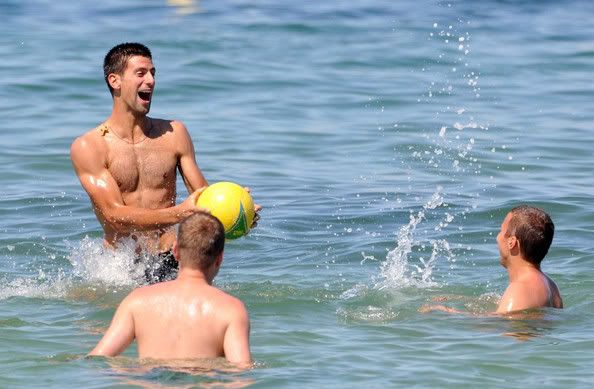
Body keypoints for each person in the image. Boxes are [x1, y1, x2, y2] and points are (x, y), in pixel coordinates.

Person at [70, 42, 258, 282]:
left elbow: (202, 198)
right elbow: (114, 215)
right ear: (114, 81)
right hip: (121, 269)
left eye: (153, 73)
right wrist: (180, 213)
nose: (151, 81)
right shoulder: (89, 146)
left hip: (171, 259)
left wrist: (236, 212)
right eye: (141, 73)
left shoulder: (175, 133)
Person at [89, 211, 252, 366]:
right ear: (220, 258)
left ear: (175, 251)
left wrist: (132, 371)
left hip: (151, 380)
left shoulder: (137, 301)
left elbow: (97, 360)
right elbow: (240, 372)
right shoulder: (231, 309)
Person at [421, 205, 563, 315]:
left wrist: (446, 312)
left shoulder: (521, 288)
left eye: (501, 231)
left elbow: (500, 324)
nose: (497, 237)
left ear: (511, 242)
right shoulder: (550, 285)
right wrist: (461, 299)